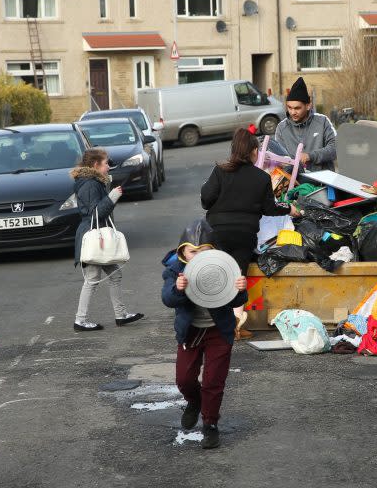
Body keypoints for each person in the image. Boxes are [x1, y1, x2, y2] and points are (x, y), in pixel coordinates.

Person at [201, 128, 301, 335]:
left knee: (219, 274)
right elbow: (269, 208)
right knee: (239, 276)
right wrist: (289, 208)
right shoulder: (261, 177)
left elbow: (205, 201)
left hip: (217, 231)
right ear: (254, 151)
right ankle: (237, 321)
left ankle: (216, 322)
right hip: (244, 234)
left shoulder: (220, 171)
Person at [161, 219, 248, 449]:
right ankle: (194, 401)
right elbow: (167, 299)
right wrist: (178, 289)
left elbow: (238, 300)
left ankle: (210, 425)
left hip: (219, 331)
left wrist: (241, 289)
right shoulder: (174, 271)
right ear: (182, 252)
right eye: (192, 251)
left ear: (214, 250)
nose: (198, 255)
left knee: (213, 381)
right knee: (184, 379)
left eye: (204, 250)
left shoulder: (225, 267)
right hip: (190, 332)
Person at [71, 148, 144, 332]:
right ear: (95, 165)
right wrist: (112, 197)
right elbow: (95, 212)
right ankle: (80, 320)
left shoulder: (94, 182)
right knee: (92, 279)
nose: (108, 167)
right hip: (94, 236)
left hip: (97, 234)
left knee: (115, 274)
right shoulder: (89, 184)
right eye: (105, 164)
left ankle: (120, 314)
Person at [274, 76, 337, 172]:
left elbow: (336, 148)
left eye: (297, 108)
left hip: (323, 181)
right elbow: (280, 158)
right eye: (289, 108)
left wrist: (310, 156)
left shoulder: (323, 122)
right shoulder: (281, 128)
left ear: (308, 106)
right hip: (296, 182)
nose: (292, 112)